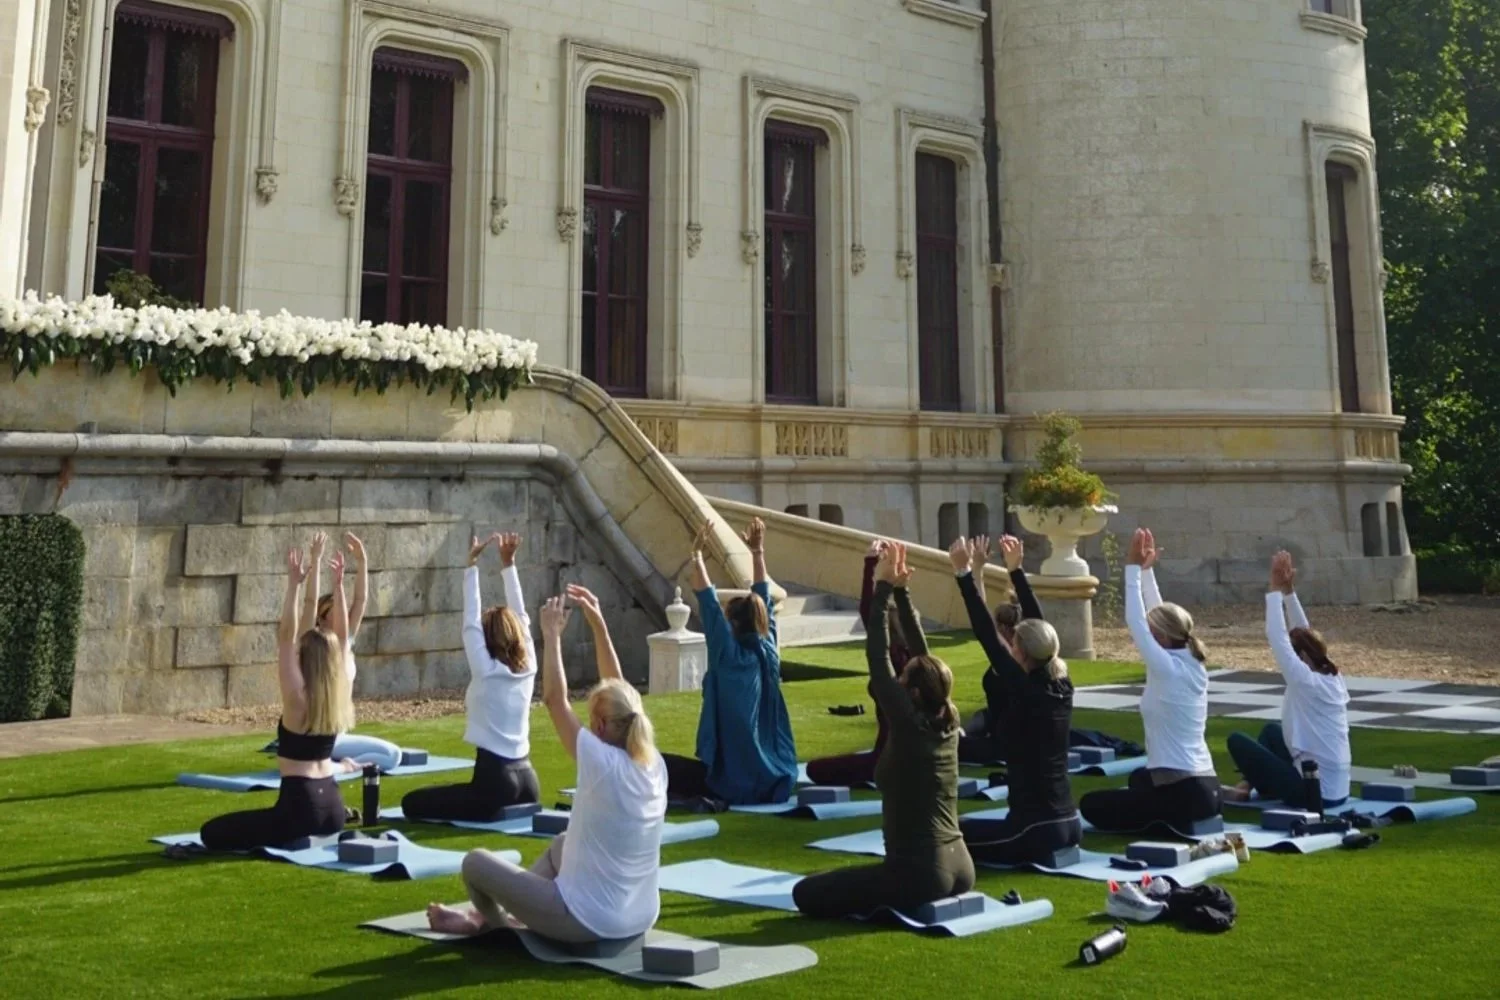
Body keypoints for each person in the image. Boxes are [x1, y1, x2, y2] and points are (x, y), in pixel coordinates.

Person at [426, 590, 667, 944]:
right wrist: (598, 626)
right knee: (561, 846)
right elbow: (623, 696)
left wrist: (551, 636)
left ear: (601, 726)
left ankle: (489, 926)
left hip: (586, 921)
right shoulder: (653, 761)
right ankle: (488, 915)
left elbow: (555, 700)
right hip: (639, 917)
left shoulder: (601, 761)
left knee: (475, 863)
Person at [793, 542, 975, 918]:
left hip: (923, 873)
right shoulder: (948, 715)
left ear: (912, 692)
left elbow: (877, 654)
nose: (899, 677)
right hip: (961, 864)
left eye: (903, 677)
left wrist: (882, 588)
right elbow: (925, 659)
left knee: (805, 892)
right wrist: (902, 593)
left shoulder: (908, 723)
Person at [199, 543, 353, 850]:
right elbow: (343, 637)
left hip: (300, 811)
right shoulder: (341, 691)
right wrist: (338, 589)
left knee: (211, 832)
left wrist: (293, 586)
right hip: (334, 810)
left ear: (305, 658)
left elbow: (285, 637)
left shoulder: (297, 697)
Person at [950, 536, 1082, 864]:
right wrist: (1016, 571)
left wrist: (965, 574)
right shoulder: (1062, 685)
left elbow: (986, 634)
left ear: (1019, 652)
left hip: (1034, 830)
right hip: (1069, 822)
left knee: (944, 838)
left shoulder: (1025, 690)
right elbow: (1042, 628)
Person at [1079, 528, 1221, 832]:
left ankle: (1167, 818)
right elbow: (1161, 615)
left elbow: (1136, 621)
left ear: (1161, 637)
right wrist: (1146, 571)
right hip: (1206, 784)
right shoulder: (1192, 660)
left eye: (1153, 632)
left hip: (1183, 792)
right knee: (1139, 778)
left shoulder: (1167, 667)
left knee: (1090, 805)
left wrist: (1131, 568)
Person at [401, 532, 540, 821]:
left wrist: (471, 567)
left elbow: (471, 623)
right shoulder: (529, 667)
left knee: (411, 802)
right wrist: (508, 564)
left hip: (496, 782)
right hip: (529, 781)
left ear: (487, 639)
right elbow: (521, 616)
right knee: (449, 794)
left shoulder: (486, 671)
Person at [660, 517, 797, 807]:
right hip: (777, 781)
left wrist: (697, 556)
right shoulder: (768, 650)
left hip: (732, 784)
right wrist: (757, 552)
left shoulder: (729, 655)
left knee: (653, 762)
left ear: (733, 624)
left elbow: (709, 602)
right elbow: (762, 599)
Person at [1222, 551, 1350, 809]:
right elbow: (1304, 634)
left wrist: (1273, 590)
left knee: (1237, 740)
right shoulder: (1331, 675)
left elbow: (1277, 636)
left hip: (1315, 794)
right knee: (1271, 732)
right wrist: (1289, 592)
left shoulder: (1305, 681)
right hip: (1336, 790)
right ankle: (1249, 785)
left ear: (1302, 657)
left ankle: (1247, 787)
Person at [287, 531, 402, 774]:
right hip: (313, 731)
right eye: (334, 611)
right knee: (392, 756)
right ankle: (338, 765)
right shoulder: (310, 644)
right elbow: (309, 603)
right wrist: (316, 560)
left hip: (336, 732)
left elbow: (360, 600)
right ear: (322, 618)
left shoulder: (344, 642)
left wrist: (362, 561)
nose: (342, 614)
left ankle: (337, 764)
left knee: (393, 756)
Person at [804, 539, 910, 787]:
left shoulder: (892, 661)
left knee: (814, 769)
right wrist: (897, 580)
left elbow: (869, 612)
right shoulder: (916, 655)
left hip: (890, 758)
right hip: (913, 754)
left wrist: (871, 565)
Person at [951, 534, 1044, 764]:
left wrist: (967, 572)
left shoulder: (1012, 666)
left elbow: (984, 626)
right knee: (980, 718)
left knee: (948, 744)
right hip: (1003, 726)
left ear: (1004, 628)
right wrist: (1014, 570)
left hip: (1006, 745)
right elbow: (1037, 623)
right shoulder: (1047, 667)